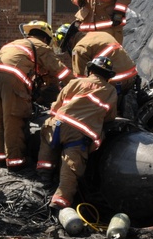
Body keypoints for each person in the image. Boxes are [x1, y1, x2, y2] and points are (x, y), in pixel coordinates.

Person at [0, 21, 71, 172]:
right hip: (10, 75)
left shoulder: (17, 43)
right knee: (13, 119)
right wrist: (78, 83)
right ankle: (15, 161)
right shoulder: (41, 46)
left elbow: (39, 72)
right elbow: (60, 71)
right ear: (46, 38)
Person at [36, 55, 118, 211]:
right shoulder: (110, 91)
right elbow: (110, 116)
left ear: (90, 70)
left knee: (47, 141)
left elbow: (56, 106)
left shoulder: (75, 82)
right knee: (71, 168)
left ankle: (44, 178)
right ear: (108, 75)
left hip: (57, 123)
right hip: (79, 133)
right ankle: (59, 204)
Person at [55, 22, 139, 117]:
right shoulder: (101, 34)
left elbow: (79, 82)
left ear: (70, 40)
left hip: (116, 82)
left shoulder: (79, 49)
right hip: (132, 75)